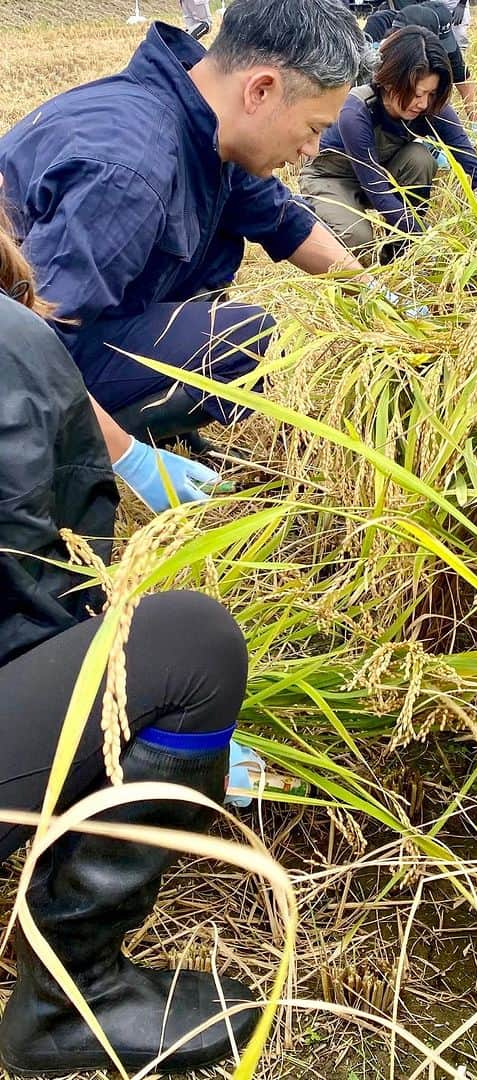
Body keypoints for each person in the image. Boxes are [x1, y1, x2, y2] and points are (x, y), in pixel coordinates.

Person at [0, 208, 258, 1074]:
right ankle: (75, 1000)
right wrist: (131, 733)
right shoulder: (12, 341)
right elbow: (31, 586)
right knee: (191, 644)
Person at [0, 0, 371, 456]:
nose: (312, 150)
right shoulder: (131, 171)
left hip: (60, 327)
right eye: (314, 127)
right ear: (261, 91)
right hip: (17, 361)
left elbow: (282, 220)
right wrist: (130, 461)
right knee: (244, 339)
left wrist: (376, 294)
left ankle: (141, 426)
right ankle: (73, 462)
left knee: (206, 300)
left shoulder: (205, 117)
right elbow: (30, 347)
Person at [299, 26, 477, 263]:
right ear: (391, 82)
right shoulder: (357, 109)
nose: (423, 103)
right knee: (358, 239)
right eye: (418, 93)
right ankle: (360, 284)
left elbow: (472, 164)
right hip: (333, 178)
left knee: (420, 158)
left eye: (431, 94)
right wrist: (429, 239)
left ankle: (398, 258)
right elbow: (377, 189)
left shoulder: (432, 109)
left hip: (382, 171)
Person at [382, 2, 477, 122]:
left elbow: (464, 82)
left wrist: (476, 127)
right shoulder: (382, 55)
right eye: (418, 94)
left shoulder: (448, 48)